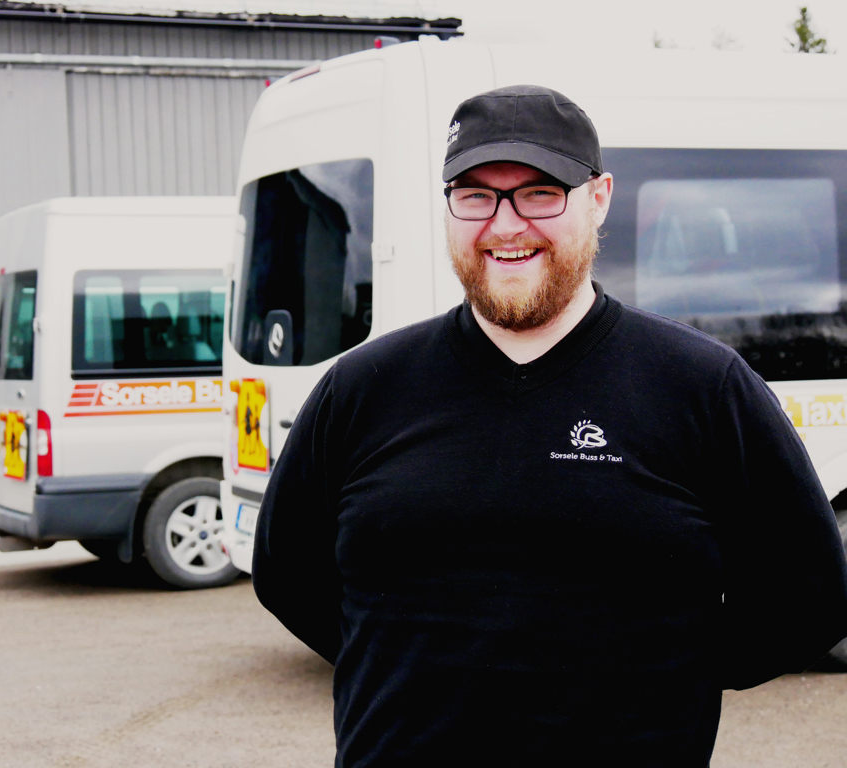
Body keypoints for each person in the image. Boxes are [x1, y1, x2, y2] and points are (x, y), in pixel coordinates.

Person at [251, 84, 847, 767]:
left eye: (540, 193)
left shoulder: (702, 387)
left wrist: (673, 675)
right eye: (475, 195)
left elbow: (810, 596)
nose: (505, 226)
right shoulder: (361, 389)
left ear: (598, 199)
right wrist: (400, 658)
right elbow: (287, 575)